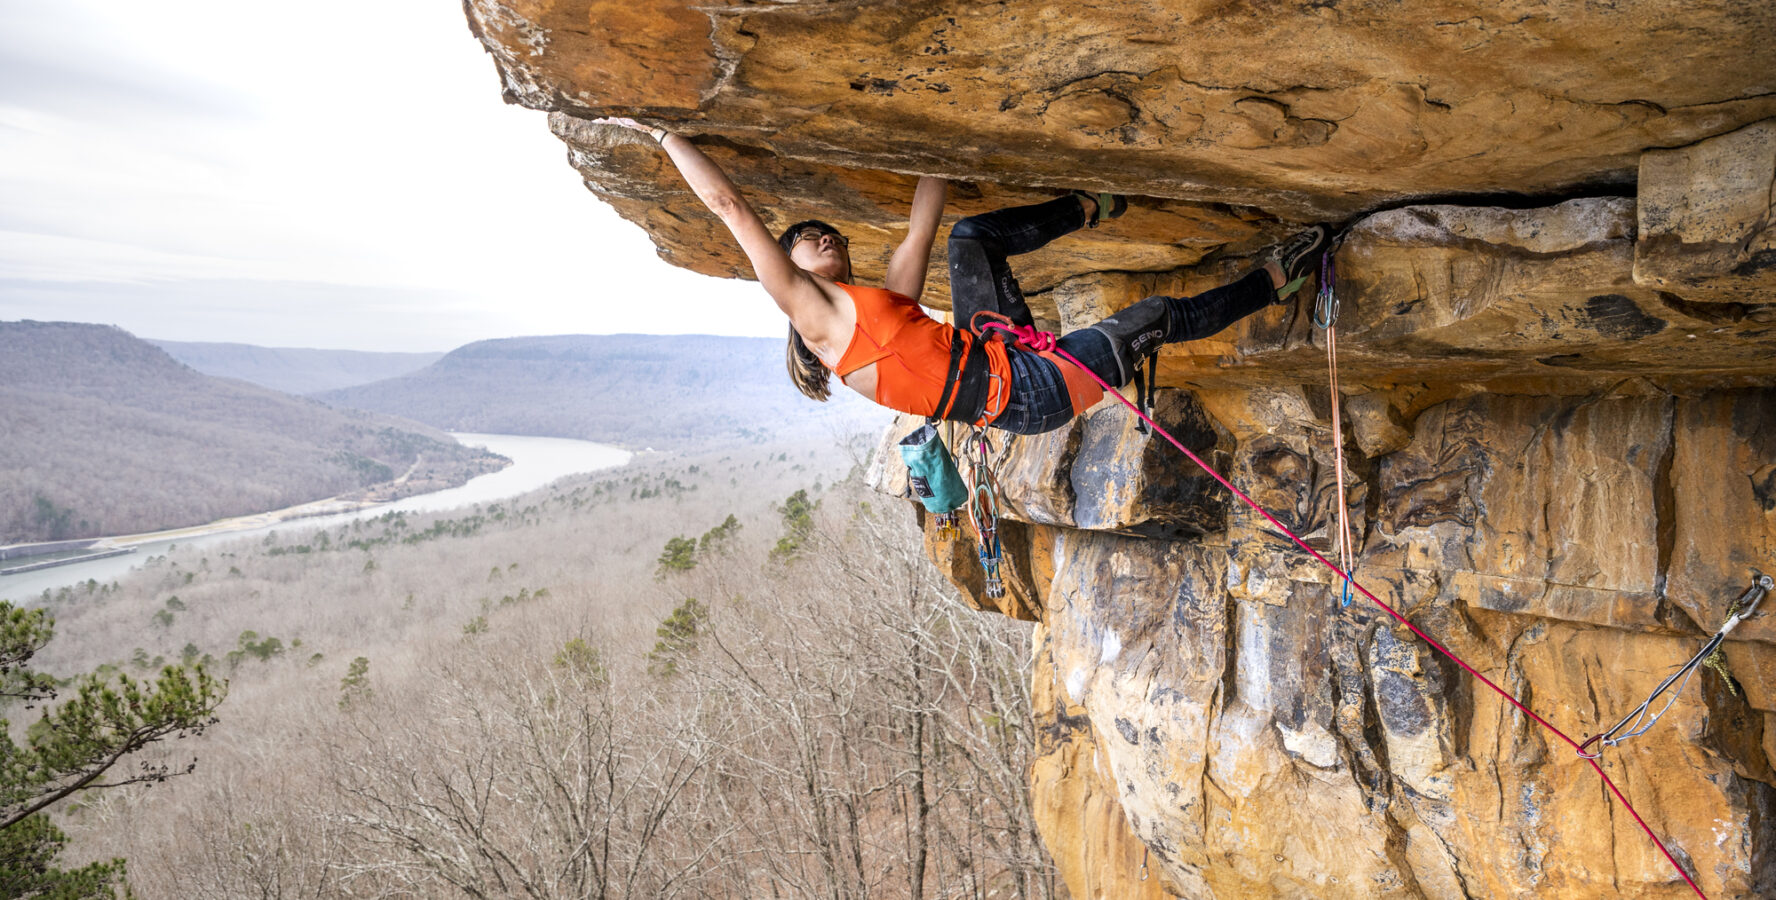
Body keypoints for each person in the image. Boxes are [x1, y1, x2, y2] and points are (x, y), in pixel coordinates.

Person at [595, 117, 1326, 435]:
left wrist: (938, 139)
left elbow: (924, 225)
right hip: (1031, 396)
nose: (818, 235)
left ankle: (1091, 204)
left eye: (825, 233)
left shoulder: (881, 302)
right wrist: (661, 135)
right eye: (801, 241)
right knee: (1157, 312)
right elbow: (728, 207)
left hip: (1001, 354)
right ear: (788, 269)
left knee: (974, 236)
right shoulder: (815, 320)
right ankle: (1276, 280)